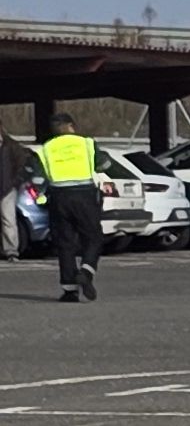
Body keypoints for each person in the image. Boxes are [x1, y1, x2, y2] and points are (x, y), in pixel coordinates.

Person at [38, 115, 103, 304]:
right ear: (72, 126)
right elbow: (104, 164)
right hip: (84, 195)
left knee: (65, 243)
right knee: (93, 237)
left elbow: (40, 174)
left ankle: (69, 291)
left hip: (58, 197)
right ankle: (86, 271)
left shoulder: (47, 149)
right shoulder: (87, 144)